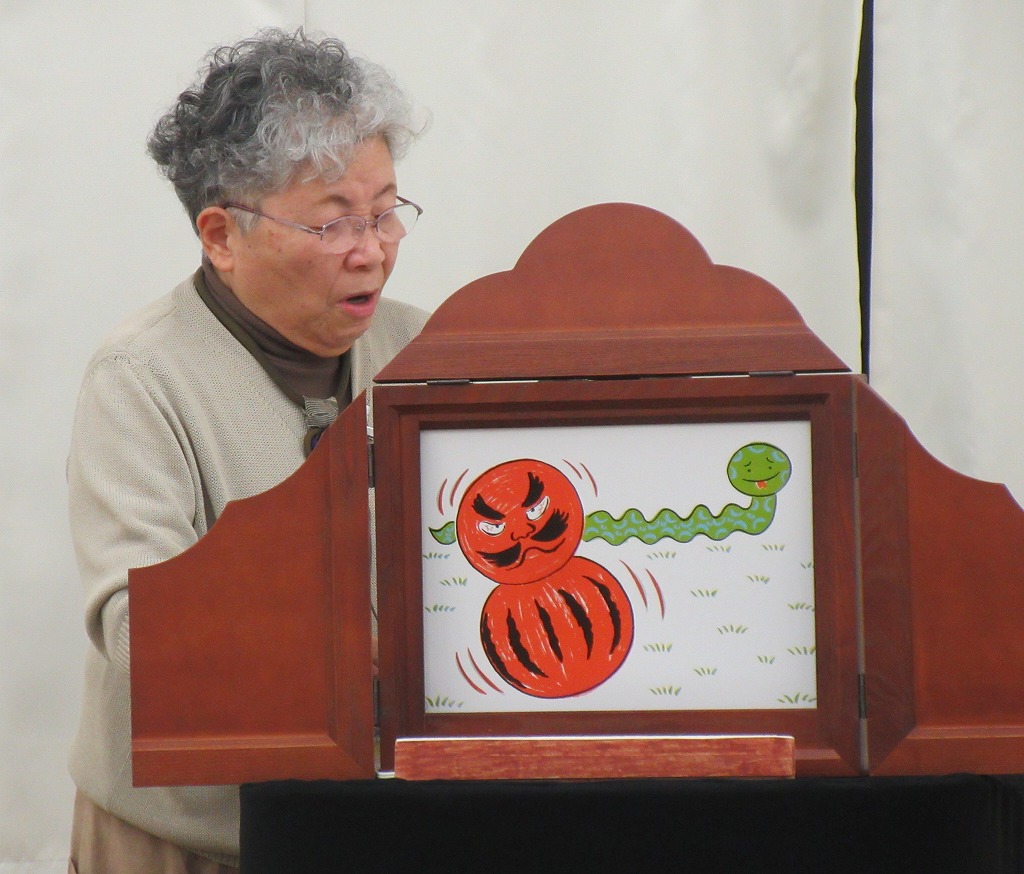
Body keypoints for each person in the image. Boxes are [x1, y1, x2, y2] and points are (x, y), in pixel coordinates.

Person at [66, 28, 429, 872]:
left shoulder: (425, 352)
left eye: (386, 211)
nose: (372, 249)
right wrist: (353, 651)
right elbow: (139, 628)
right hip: (185, 837)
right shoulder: (140, 377)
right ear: (222, 236)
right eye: (333, 222)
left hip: (378, 823)